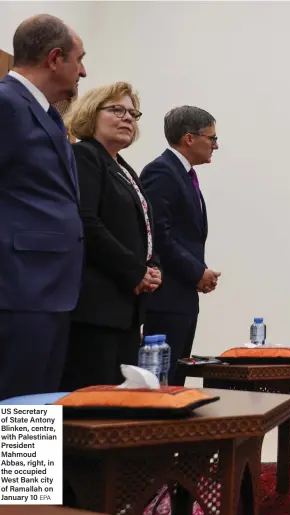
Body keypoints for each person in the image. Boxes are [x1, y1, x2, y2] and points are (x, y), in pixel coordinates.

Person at [0, 14, 86, 400]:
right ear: (54, 58)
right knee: (17, 400)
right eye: (78, 59)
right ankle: (17, 464)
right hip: (18, 286)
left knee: (38, 399)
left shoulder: (49, 115)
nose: (82, 70)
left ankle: (31, 464)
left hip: (49, 287)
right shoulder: (7, 103)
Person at [60, 82, 162, 390]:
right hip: (95, 307)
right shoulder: (84, 155)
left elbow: (142, 225)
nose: (128, 118)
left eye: (133, 113)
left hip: (124, 308)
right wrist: (136, 271)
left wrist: (152, 267)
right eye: (117, 110)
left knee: (118, 405)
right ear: (91, 113)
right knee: (92, 403)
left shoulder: (124, 168)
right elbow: (86, 221)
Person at [140, 105, 221, 386]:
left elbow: (183, 235)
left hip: (183, 295)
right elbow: (159, 236)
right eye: (211, 138)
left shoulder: (181, 174)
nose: (215, 145)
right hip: (166, 297)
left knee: (175, 383)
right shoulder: (161, 172)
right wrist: (196, 272)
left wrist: (198, 272)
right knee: (162, 384)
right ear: (189, 138)